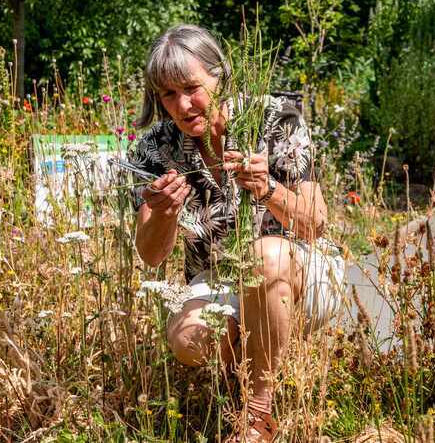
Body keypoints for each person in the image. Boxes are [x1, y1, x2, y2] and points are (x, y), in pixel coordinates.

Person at [127, 24, 345, 442]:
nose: (183, 104)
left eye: (192, 87)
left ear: (220, 76)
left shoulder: (276, 118)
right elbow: (151, 255)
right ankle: (242, 379)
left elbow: (316, 224)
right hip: (218, 278)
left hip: (298, 269)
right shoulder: (154, 146)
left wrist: (269, 189)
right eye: (167, 94)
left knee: (265, 256)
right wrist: (164, 213)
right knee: (189, 341)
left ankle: (258, 414)